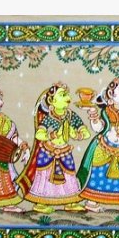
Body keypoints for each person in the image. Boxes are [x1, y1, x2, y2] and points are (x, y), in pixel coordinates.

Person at [17, 82, 91, 213]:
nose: (68, 98)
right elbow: (39, 134)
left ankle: (70, 201)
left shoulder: (71, 115)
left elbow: (85, 131)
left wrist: (78, 134)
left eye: (67, 94)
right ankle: (41, 203)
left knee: (69, 175)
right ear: (52, 101)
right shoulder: (49, 118)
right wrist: (50, 135)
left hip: (65, 151)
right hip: (48, 152)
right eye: (63, 95)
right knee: (45, 177)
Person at [77, 79, 119, 213]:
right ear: (111, 94)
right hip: (104, 147)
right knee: (98, 174)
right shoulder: (106, 111)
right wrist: (93, 114)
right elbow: (98, 128)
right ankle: (92, 202)